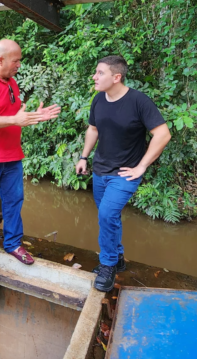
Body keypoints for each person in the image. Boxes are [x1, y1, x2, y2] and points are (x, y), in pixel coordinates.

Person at [75, 55, 171, 291]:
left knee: (107, 215)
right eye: (95, 72)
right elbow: (93, 129)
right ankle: (117, 258)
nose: (94, 77)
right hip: (100, 171)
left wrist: (142, 166)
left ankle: (107, 265)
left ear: (116, 77)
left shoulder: (139, 101)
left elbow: (163, 134)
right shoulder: (98, 100)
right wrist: (83, 156)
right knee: (109, 217)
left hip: (125, 174)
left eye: (100, 73)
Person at [0, 39, 61, 269]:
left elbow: (15, 118)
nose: (19, 65)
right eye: (16, 61)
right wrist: (14, 119)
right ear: (0, 59)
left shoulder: (12, 84)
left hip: (12, 156)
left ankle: (14, 243)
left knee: (14, 202)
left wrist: (35, 117)